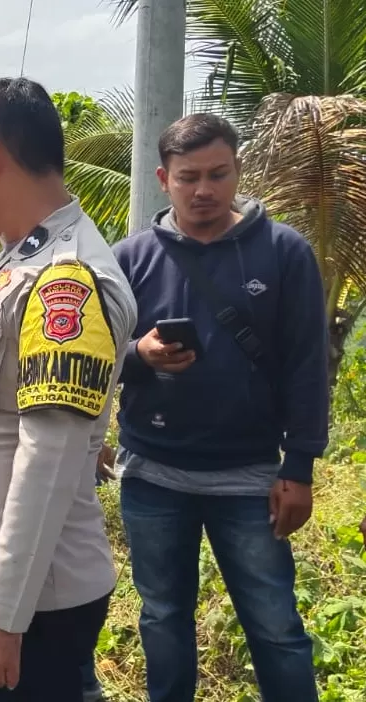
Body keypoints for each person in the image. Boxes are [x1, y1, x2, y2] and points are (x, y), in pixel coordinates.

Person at [0, 77, 137, 701]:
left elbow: (52, 463)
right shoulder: (19, 257)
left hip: (22, 607)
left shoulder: (66, 280)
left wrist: (1, 617)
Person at [111, 113, 326, 702]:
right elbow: (97, 352)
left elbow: (308, 364)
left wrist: (299, 467)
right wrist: (140, 355)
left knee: (277, 628)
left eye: (218, 174)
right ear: (164, 178)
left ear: (237, 171)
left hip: (250, 475)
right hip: (153, 474)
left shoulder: (283, 252)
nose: (203, 189)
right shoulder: (129, 258)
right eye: (188, 177)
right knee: (161, 619)